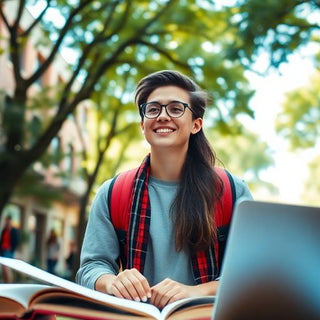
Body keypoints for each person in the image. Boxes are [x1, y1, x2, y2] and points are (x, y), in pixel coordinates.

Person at [76, 70, 253, 309]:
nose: (163, 116)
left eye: (176, 108)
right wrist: (113, 281)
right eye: (153, 109)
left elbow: (249, 276)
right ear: (143, 124)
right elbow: (90, 267)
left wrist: (192, 292)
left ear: (196, 124)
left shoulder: (231, 192)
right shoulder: (113, 193)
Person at [0, 215, 20, 282]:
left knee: (7, 268)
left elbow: (16, 241)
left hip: (9, 251)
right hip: (3, 250)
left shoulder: (14, 230)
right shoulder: (4, 230)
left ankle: (9, 282)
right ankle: (6, 282)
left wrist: (11, 248)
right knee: (4, 269)